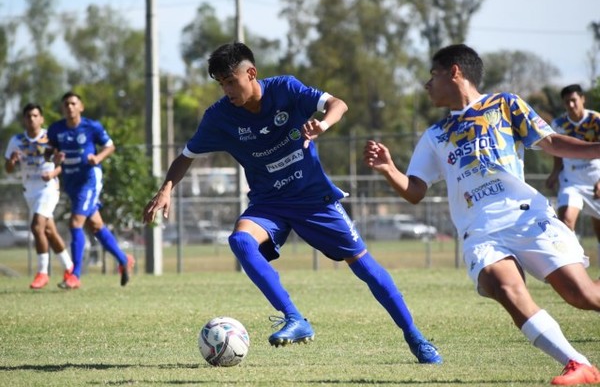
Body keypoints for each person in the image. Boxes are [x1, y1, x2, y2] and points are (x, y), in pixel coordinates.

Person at [142, 42, 442, 364]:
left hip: (314, 199)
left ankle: (416, 338)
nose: (226, 90)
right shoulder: (219, 117)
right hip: (269, 203)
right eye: (221, 84)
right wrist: (166, 189)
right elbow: (186, 157)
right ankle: (294, 317)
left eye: (230, 81)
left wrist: (322, 124)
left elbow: (338, 104)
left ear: (251, 73)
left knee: (365, 268)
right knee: (241, 241)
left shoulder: (286, 89)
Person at [364, 44, 600, 385]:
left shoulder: (505, 104)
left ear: (455, 72)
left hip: (523, 215)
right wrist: (389, 169)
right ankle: (578, 364)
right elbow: (415, 191)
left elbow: (553, 143)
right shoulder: (434, 135)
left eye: (433, 75)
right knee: (501, 284)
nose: (427, 85)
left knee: (583, 296)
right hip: (480, 229)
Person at [46, 92, 134, 289]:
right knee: (95, 226)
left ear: (81, 107)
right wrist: (54, 159)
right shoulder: (56, 129)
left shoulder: (91, 126)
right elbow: (48, 153)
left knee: (75, 223)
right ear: (63, 108)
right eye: (66, 104)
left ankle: (74, 275)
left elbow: (110, 146)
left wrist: (98, 158)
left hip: (89, 179)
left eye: (73, 103)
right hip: (71, 182)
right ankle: (123, 259)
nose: (69, 107)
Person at [4, 103, 74, 289]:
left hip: (48, 188)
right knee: (49, 232)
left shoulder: (50, 138)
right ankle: (70, 268)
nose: (32, 119)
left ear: (41, 118)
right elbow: (8, 169)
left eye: (35, 115)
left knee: (36, 227)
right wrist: (12, 161)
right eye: (28, 116)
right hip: (30, 191)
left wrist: (53, 173)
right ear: (24, 119)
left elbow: (61, 164)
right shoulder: (17, 140)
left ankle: (43, 272)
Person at [546, 84, 600, 266]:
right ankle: (572, 264)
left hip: (595, 177)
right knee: (566, 221)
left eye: (574, 100)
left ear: (582, 99)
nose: (571, 104)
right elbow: (558, 151)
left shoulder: (596, 120)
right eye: (567, 101)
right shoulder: (559, 124)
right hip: (572, 179)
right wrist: (554, 173)